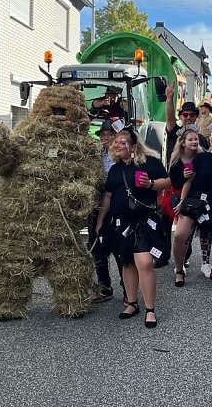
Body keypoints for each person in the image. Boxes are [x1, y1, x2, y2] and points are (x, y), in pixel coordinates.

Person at [96, 129, 171, 328]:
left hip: (144, 221)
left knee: (144, 263)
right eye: (116, 143)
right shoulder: (114, 169)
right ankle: (131, 303)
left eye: (122, 143)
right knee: (127, 262)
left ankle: (150, 309)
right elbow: (108, 196)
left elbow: (167, 182)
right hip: (121, 223)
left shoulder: (149, 163)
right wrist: (100, 220)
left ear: (133, 146)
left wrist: (150, 183)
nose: (117, 146)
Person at [171, 129, 212, 286]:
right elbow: (189, 181)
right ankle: (179, 271)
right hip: (195, 201)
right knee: (180, 235)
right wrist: (182, 201)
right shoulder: (201, 158)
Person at [162, 83, 209, 269]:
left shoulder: (201, 139)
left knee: (188, 225)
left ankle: (185, 255)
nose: (188, 117)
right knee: (164, 220)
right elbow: (169, 118)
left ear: (196, 117)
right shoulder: (175, 131)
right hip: (173, 183)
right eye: (185, 115)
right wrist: (169, 98)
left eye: (191, 115)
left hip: (192, 187)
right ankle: (165, 255)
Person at [90, 120, 122, 303]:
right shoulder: (96, 155)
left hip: (116, 203)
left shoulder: (121, 155)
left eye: (109, 135)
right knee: (97, 246)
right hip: (98, 202)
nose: (105, 138)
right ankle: (104, 287)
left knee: (119, 247)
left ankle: (127, 288)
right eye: (103, 135)